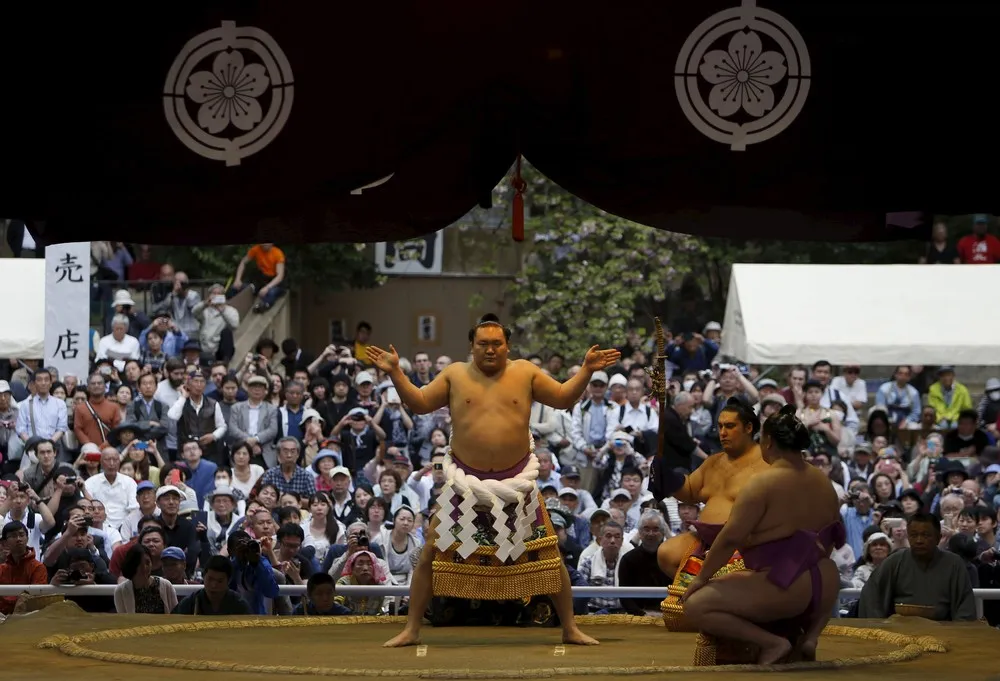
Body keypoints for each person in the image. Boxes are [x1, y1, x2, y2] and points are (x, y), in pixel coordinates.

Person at [366, 314, 620, 647]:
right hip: (464, 485)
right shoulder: (455, 374)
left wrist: (586, 369)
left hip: (518, 483)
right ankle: (412, 628)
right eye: (483, 344)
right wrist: (396, 371)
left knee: (549, 554)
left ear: (508, 346)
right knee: (430, 553)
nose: (490, 350)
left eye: (496, 344)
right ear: (471, 346)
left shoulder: (525, 372)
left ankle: (570, 627)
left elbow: (561, 398)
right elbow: (420, 403)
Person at [680, 405, 846, 665]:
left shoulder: (763, 483)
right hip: (827, 581)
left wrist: (701, 579)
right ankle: (810, 638)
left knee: (695, 605)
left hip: (785, 586)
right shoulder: (823, 481)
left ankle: (773, 644)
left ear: (767, 442)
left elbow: (730, 538)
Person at [653, 398, 770, 620]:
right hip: (705, 539)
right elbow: (689, 490)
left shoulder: (767, 463)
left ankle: (724, 611)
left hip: (745, 542)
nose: (722, 432)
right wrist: (667, 477)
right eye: (720, 426)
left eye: (730, 426)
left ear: (748, 428)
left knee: (728, 571)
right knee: (667, 553)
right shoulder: (714, 462)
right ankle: (704, 601)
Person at [857, 512, 977, 621]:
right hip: (898, 630)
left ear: (938, 538)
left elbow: (965, 608)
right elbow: (871, 595)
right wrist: (881, 627)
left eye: (926, 535)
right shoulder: (895, 561)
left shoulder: (954, 563)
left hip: (943, 630)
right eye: (914, 535)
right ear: (908, 536)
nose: (919, 540)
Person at [173, 555, 252, 615]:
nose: (214, 585)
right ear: (203, 577)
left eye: (220, 581)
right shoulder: (190, 603)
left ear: (228, 581)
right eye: (210, 579)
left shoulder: (239, 605)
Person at [114, 543, 178, 614]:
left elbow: (176, 616)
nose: (144, 568)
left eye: (147, 563)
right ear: (131, 565)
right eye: (139, 564)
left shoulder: (166, 586)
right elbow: (123, 621)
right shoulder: (120, 591)